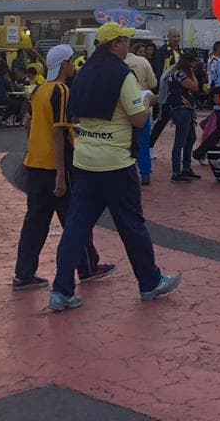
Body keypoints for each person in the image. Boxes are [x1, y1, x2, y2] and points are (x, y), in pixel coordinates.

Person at [48, 23, 178, 311]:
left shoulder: (83, 74)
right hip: (117, 163)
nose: (128, 47)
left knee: (76, 228)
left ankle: (61, 291)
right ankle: (150, 282)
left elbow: (76, 117)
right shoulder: (123, 75)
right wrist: (147, 101)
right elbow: (138, 120)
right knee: (132, 226)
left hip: (85, 161)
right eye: (124, 42)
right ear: (114, 45)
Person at [12, 44, 114, 292]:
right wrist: (60, 172)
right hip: (57, 164)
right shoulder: (61, 90)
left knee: (35, 222)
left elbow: (29, 124)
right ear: (64, 64)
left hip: (35, 163)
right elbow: (58, 131)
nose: (73, 65)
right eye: (71, 61)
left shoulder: (39, 90)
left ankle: (24, 274)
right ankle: (88, 267)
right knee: (75, 219)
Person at [163, 52, 200, 183]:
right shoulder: (180, 74)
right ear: (189, 62)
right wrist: (192, 73)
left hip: (184, 108)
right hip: (181, 109)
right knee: (181, 140)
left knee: (190, 138)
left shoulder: (175, 72)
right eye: (194, 62)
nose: (196, 64)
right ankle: (177, 171)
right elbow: (195, 86)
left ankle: (186, 167)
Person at [125, 41, 158, 185]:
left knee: (125, 142)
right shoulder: (143, 62)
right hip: (141, 100)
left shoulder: (119, 62)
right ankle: (145, 174)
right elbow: (153, 83)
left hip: (124, 105)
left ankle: (128, 174)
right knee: (143, 141)